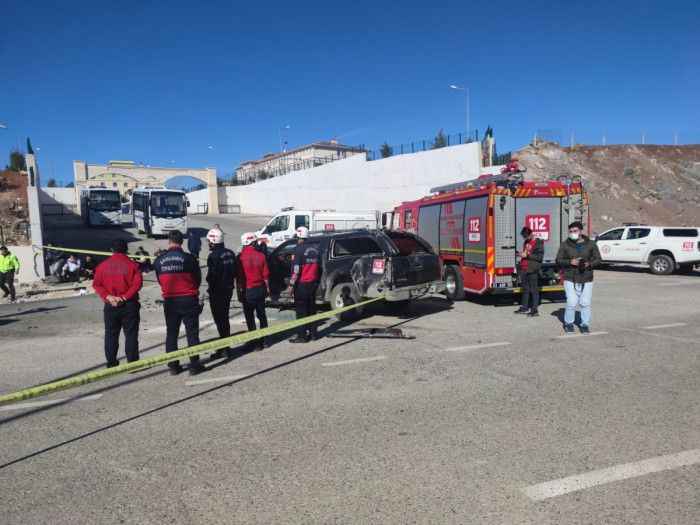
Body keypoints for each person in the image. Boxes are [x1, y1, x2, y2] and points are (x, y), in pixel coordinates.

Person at [154, 230, 206, 375]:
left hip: (170, 300)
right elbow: (197, 280)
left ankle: (173, 366)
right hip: (188, 299)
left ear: (169, 241)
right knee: (192, 334)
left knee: (171, 334)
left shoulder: (159, 260)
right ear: (182, 242)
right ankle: (194, 365)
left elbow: (160, 280)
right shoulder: (189, 259)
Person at [92, 239, 143, 368]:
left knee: (111, 334)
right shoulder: (133, 265)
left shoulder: (102, 266)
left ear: (111, 250)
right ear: (126, 250)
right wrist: (124, 297)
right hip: (129, 304)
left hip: (110, 304)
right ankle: (132, 363)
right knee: (131, 335)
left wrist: (108, 296)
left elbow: (97, 284)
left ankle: (111, 363)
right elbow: (137, 284)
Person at [556, 221, 602, 334]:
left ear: (581, 231)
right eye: (570, 231)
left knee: (585, 302)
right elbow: (558, 260)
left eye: (575, 231)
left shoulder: (591, 244)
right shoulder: (565, 244)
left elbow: (598, 259)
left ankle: (584, 324)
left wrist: (589, 264)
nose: (572, 233)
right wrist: (570, 261)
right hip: (570, 276)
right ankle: (568, 323)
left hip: (586, 277)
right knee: (571, 301)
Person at [205, 228, 237, 359]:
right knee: (225, 319)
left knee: (220, 320)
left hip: (217, 292)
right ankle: (225, 346)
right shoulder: (230, 253)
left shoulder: (213, 256)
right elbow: (235, 271)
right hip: (228, 289)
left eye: (208, 241)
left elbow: (211, 276)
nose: (208, 243)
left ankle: (224, 348)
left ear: (213, 241)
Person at [237, 232, 269, 350]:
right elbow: (266, 277)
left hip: (248, 291)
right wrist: (267, 290)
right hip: (260, 289)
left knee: (250, 317)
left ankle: (254, 342)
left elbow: (239, 279)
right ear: (252, 242)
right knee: (262, 315)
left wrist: (240, 293)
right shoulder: (261, 256)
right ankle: (264, 340)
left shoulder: (240, 258)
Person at [289, 226, 321, 343]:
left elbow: (296, 270)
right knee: (312, 309)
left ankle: (302, 336)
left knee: (301, 311)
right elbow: (319, 267)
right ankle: (313, 334)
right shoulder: (316, 249)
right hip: (313, 284)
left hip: (302, 285)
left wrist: (291, 285)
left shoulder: (298, 249)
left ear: (298, 237)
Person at [515, 226, 544, 317]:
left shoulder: (538, 243)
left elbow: (539, 258)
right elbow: (525, 253)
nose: (525, 238)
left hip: (532, 269)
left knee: (534, 290)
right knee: (525, 289)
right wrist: (520, 254)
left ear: (531, 234)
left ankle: (534, 310)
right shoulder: (526, 242)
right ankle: (524, 307)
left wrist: (527, 255)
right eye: (524, 237)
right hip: (524, 268)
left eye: (526, 236)